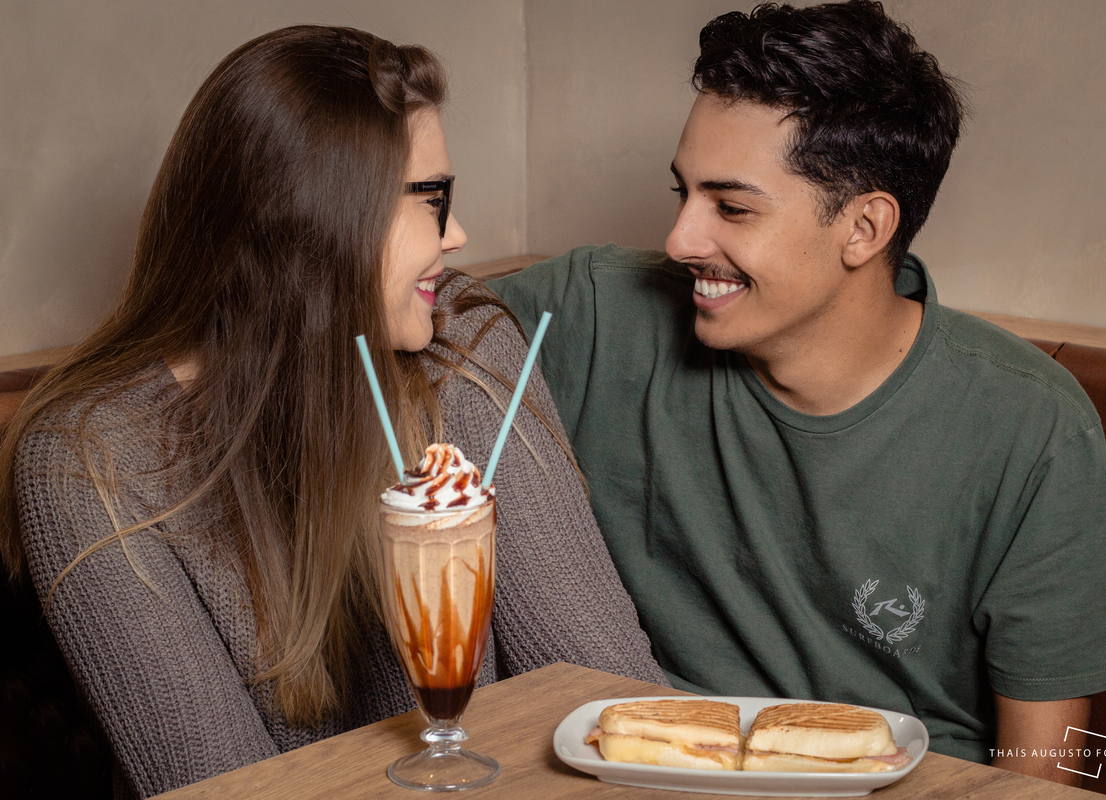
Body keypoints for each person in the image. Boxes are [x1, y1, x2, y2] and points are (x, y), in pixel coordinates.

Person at [0, 26, 664, 799]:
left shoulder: (465, 346)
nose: (458, 235)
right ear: (321, 223)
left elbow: (614, 699)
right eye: (432, 199)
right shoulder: (88, 458)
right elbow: (227, 790)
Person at [489, 0, 1106, 784]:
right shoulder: (591, 311)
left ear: (864, 228)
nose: (681, 240)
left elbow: (1040, 768)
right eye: (682, 193)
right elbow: (379, 335)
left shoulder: (1032, 426)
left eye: (732, 207)